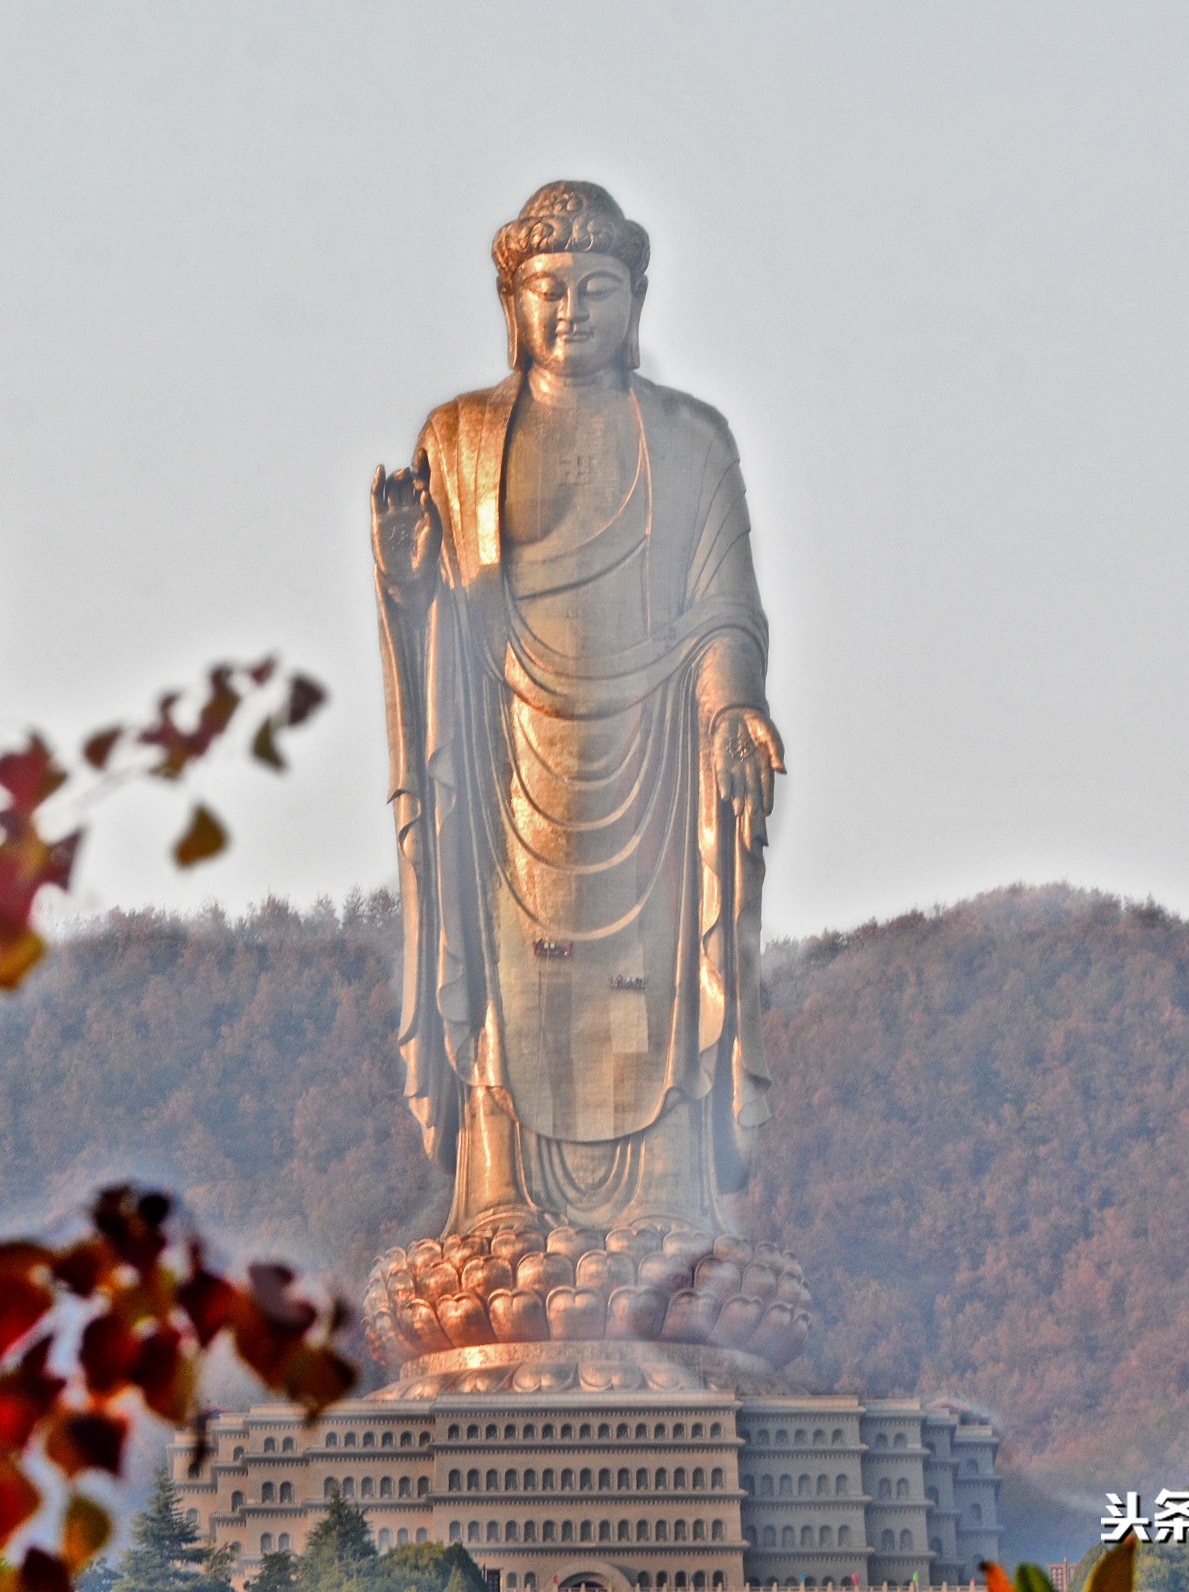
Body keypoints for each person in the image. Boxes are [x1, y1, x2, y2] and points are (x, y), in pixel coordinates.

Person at [371, 181, 783, 1240]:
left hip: (655, 759)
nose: (572, 311)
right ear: (513, 302)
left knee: (653, 988)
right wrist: (407, 572)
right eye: (549, 290)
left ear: (635, 299)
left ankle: (663, 1206)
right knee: (510, 985)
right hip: (507, 758)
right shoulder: (458, 437)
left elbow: (722, 612)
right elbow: (440, 621)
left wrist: (732, 704)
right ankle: (502, 1195)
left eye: (597, 288)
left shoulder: (694, 441)